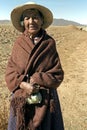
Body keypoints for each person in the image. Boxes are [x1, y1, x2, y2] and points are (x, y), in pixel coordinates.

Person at [5, 1, 64, 130]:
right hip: (21, 98)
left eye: (35, 17)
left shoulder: (49, 43)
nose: (31, 21)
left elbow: (57, 74)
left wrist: (37, 79)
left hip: (45, 99)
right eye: (27, 18)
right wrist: (22, 83)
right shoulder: (19, 43)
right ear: (22, 22)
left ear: (42, 21)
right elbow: (10, 72)